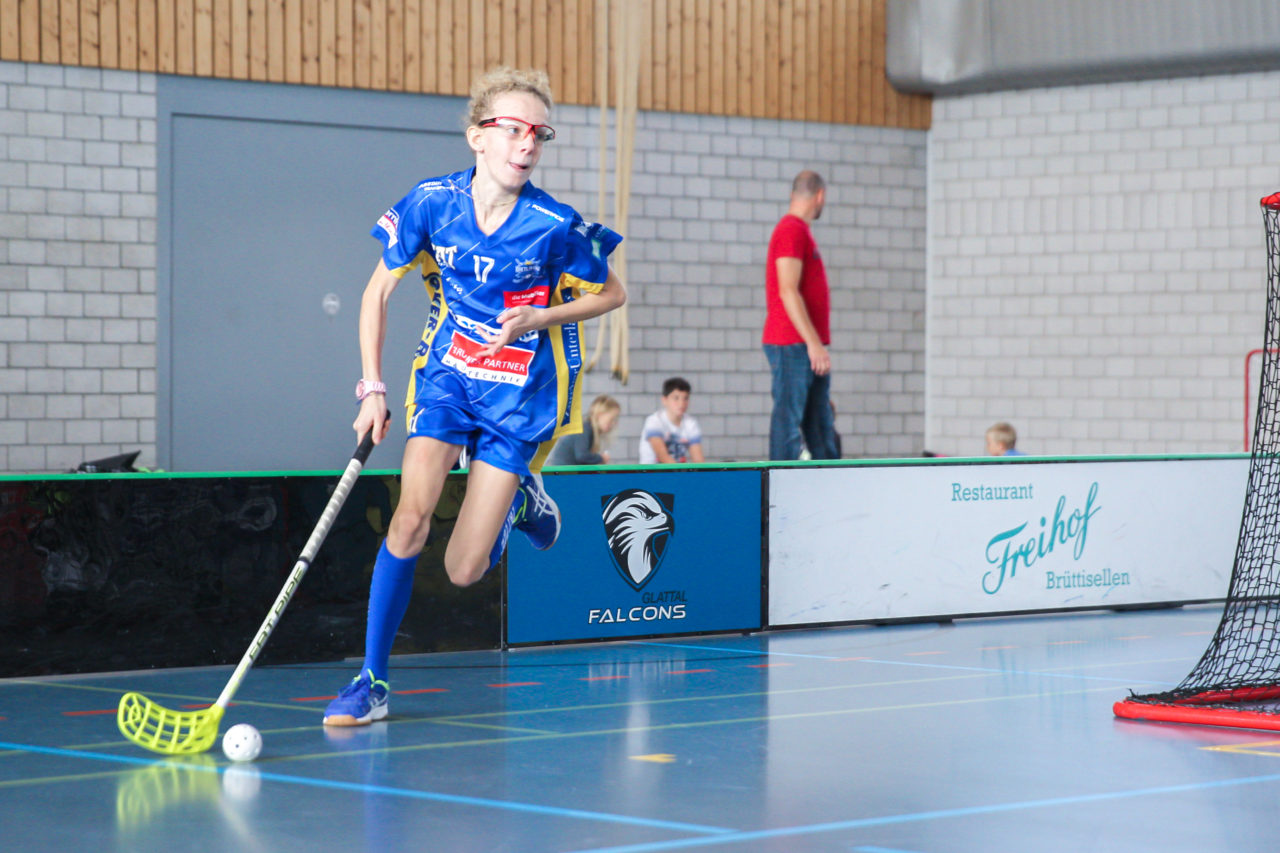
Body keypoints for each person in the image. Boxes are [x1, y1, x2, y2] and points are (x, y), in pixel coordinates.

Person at [323, 67, 626, 726]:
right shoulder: (431, 203)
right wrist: (372, 388)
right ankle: (372, 680)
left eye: (538, 135)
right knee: (410, 515)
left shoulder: (555, 223)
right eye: (513, 129)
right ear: (476, 137)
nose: (527, 144)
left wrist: (536, 319)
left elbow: (613, 292)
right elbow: (376, 293)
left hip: (519, 398)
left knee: (463, 570)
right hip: (447, 381)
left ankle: (520, 498)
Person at [763, 170, 839, 461]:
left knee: (820, 423)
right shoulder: (791, 230)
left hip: (805, 345)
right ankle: (779, 486)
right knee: (788, 421)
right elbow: (787, 290)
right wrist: (813, 343)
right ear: (820, 196)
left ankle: (831, 482)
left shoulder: (800, 232)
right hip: (792, 344)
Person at [638, 377, 705, 464]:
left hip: (676, 473)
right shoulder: (654, 421)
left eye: (685, 398)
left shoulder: (690, 423)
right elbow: (663, 456)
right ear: (664, 400)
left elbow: (698, 460)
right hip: (651, 474)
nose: (681, 403)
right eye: (676, 398)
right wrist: (680, 476)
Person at [548, 394, 621, 465]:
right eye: (611, 420)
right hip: (563, 472)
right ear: (599, 415)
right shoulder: (585, 428)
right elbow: (582, 456)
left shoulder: (588, 429)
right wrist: (601, 458)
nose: (613, 424)